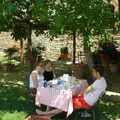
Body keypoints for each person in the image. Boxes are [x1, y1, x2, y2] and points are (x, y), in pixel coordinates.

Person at [36, 64, 107, 117]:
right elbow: (89, 90)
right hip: (89, 99)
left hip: (87, 101)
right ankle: (48, 114)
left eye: (93, 72)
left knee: (66, 103)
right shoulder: (103, 81)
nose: (92, 73)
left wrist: (81, 93)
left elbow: (86, 91)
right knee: (67, 99)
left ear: (97, 73)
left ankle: (45, 114)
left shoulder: (98, 82)